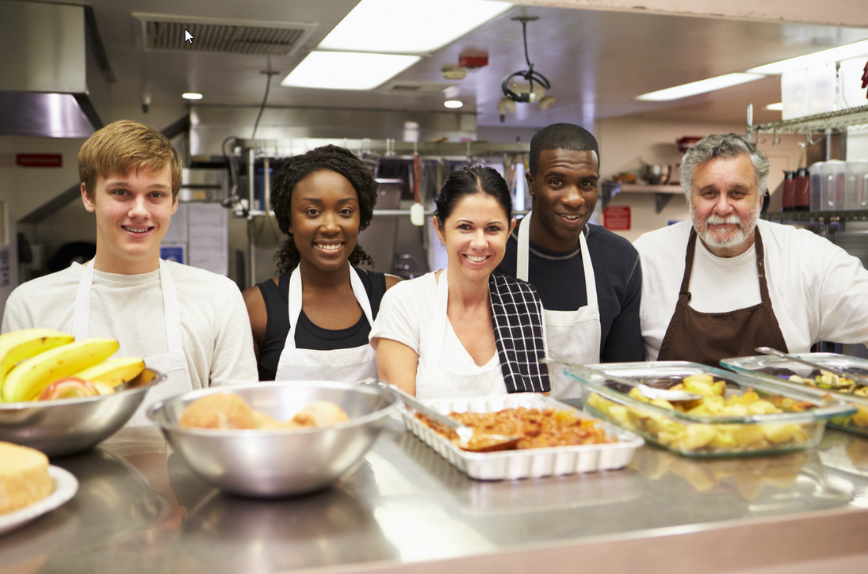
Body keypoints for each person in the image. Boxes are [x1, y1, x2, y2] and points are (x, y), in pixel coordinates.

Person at [2, 120, 258, 424]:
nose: (139, 210)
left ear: (174, 201)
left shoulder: (218, 297)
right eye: (121, 192)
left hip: (189, 470)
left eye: (156, 195)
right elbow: (16, 423)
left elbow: (237, 419)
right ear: (88, 196)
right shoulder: (32, 304)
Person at [634, 133, 868, 365]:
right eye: (709, 193)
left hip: (785, 403)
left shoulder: (807, 256)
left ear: (760, 198)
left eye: (737, 193)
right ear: (689, 199)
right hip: (672, 403)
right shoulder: (647, 257)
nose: (723, 208)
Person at [371, 166, 549, 398]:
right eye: (465, 227)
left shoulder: (523, 300)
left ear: (509, 231)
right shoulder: (405, 302)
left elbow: (540, 409)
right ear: (440, 229)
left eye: (493, 228)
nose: (479, 243)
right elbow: (402, 413)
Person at [495, 123, 644, 398]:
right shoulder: (495, 256)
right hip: (508, 427)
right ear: (531, 184)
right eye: (556, 182)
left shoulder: (620, 259)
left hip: (594, 428)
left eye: (586, 184)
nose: (574, 199)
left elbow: (624, 375)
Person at [243, 145, 400, 382]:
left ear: (361, 218)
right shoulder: (255, 309)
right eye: (312, 211)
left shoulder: (394, 297)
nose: (330, 226)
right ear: (289, 221)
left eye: (345, 211)